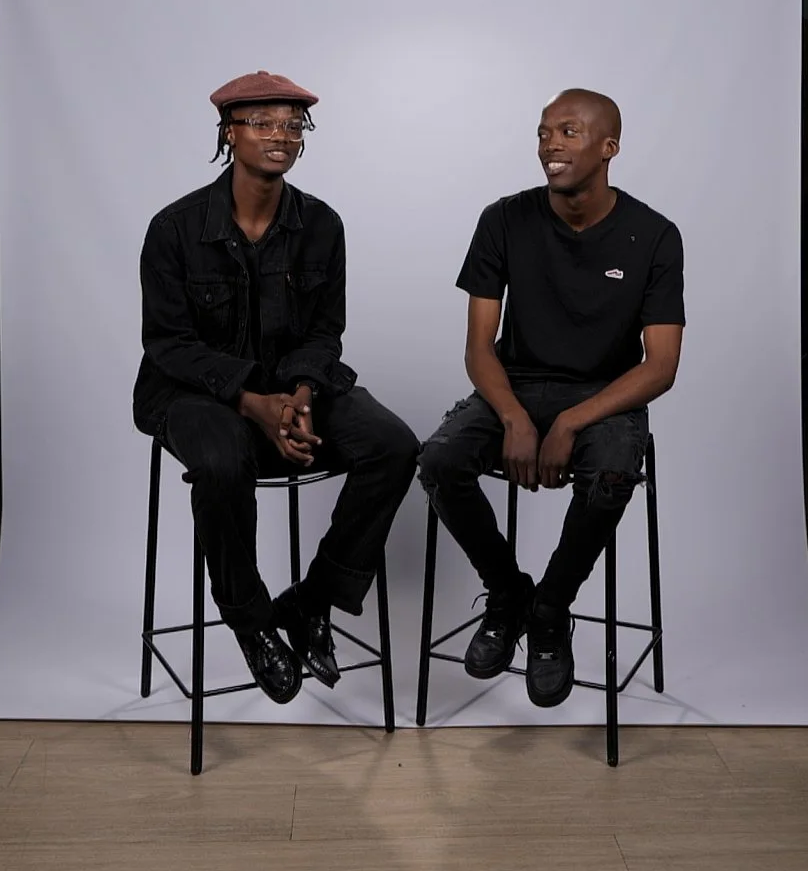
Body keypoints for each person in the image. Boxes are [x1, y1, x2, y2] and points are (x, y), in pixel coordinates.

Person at [132, 70, 419, 705]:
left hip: (295, 388)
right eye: (263, 124)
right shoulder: (174, 229)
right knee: (220, 457)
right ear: (229, 134)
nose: (280, 136)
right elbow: (169, 344)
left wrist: (300, 396)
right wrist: (250, 401)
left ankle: (312, 602)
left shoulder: (322, 224)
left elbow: (325, 333)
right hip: (192, 391)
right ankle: (252, 621)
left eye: (293, 126)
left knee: (394, 444)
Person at [417, 88, 685, 708]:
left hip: (604, 395)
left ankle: (549, 609)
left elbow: (661, 366)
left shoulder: (654, 236)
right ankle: (507, 592)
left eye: (567, 132)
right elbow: (479, 346)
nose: (549, 146)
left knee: (613, 472)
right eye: (543, 133)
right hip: (514, 384)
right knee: (438, 461)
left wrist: (571, 420)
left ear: (608, 147)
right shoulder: (504, 218)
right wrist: (512, 415)